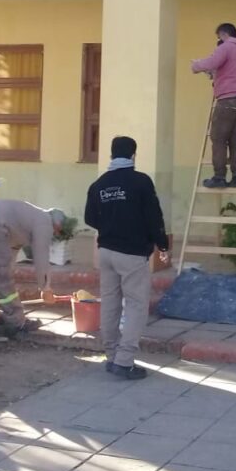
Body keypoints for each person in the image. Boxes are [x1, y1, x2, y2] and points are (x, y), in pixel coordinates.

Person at [84, 136, 170, 380]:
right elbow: (154, 217)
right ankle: (124, 361)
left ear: (112, 155)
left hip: (106, 252)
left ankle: (111, 356)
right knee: (135, 305)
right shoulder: (141, 181)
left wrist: (110, 225)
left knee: (110, 303)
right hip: (132, 254)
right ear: (133, 155)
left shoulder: (99, 184)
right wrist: (162, 244)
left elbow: (90, 218)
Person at [0, 199, 73, 333]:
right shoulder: (45, 221)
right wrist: (46, 288)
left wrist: (9, 268)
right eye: (58, 231)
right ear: (57, 224)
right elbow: (41, 256)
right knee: (2, 277)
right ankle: (17, 322)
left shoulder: (29, 218)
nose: (55, 234)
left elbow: (12, 249)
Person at [190, 23, 236, 188]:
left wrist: (196, 65)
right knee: (235, 138)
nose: (219, 39)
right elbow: (229, 68)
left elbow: (212, 62)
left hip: (228, 99)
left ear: (224, 34)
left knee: (218, 138)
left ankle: (219, 177)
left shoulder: (227, 46)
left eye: (219, 37)